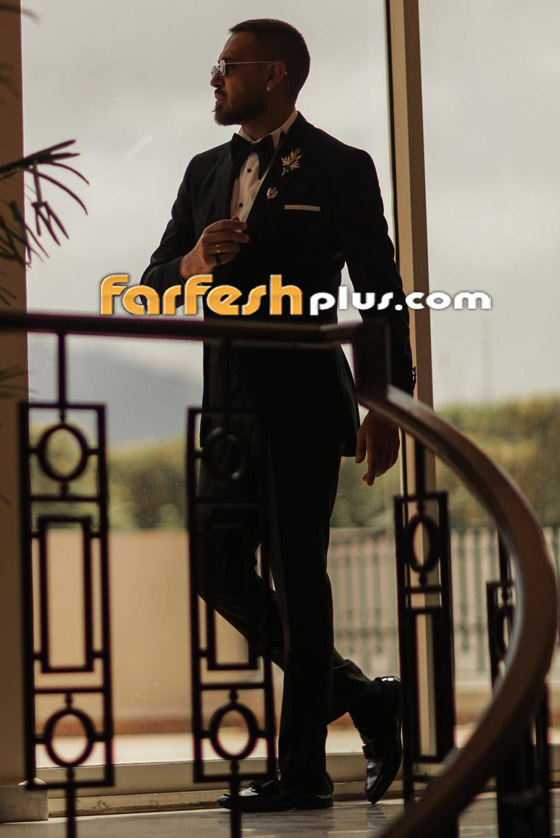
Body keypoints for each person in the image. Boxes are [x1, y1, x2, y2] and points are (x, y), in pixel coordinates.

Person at [140, 18, 415, 812]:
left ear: (275, 74)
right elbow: (153, 286)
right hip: (225, 410)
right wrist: (194, 261)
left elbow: (382, 291)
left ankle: (302, 774)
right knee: (215, 570)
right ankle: (361, 696)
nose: (215, 77)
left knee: (300, 584)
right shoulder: (202, 171)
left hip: (306, 406)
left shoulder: (341, 166)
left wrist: (386, 401)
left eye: (228, 65)